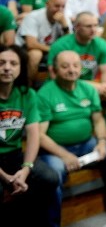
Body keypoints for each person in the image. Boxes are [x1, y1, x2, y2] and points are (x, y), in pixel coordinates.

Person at [38, 50, 106, 219]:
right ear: (54, 69)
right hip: (56, 150)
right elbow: (39, 135)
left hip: (86, 143)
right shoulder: (45, 93)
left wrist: (102, 142)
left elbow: (98, 120)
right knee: (55, 171)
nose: (72, 70)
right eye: (65, 66)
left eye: (76, 65)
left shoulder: (88, 89)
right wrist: (64, 155)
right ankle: (52, 222)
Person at [0, 45, 60, 227]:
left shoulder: (27, 94)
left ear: (21, 68)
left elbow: (34, 134)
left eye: (13, 63)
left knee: (49, 178)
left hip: (15, 154)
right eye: (1, 63)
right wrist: (5, 177)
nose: (7, 68)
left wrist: (26, 168)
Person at [48, 12, 106, 99]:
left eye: (95, 25)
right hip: (62, 88)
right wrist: (91, 86)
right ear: (77, 27)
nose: (93, 30)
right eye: (88, 26)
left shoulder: (101, 44)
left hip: (91, 86)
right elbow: (55, 76)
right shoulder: (61, 45)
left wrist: (105, 86)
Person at [15, 0, 71, 83]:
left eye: (63, 7)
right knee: (36, 54)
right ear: (47, 4)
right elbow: (31, 44)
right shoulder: (33, 16)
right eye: (56, 6)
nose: (60, 10)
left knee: (67, 55)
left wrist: (65, 26)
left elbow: (70, 43)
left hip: (47, 50)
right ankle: (27, 87)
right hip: (23, 49)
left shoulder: (64, 19)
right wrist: (54, 50)